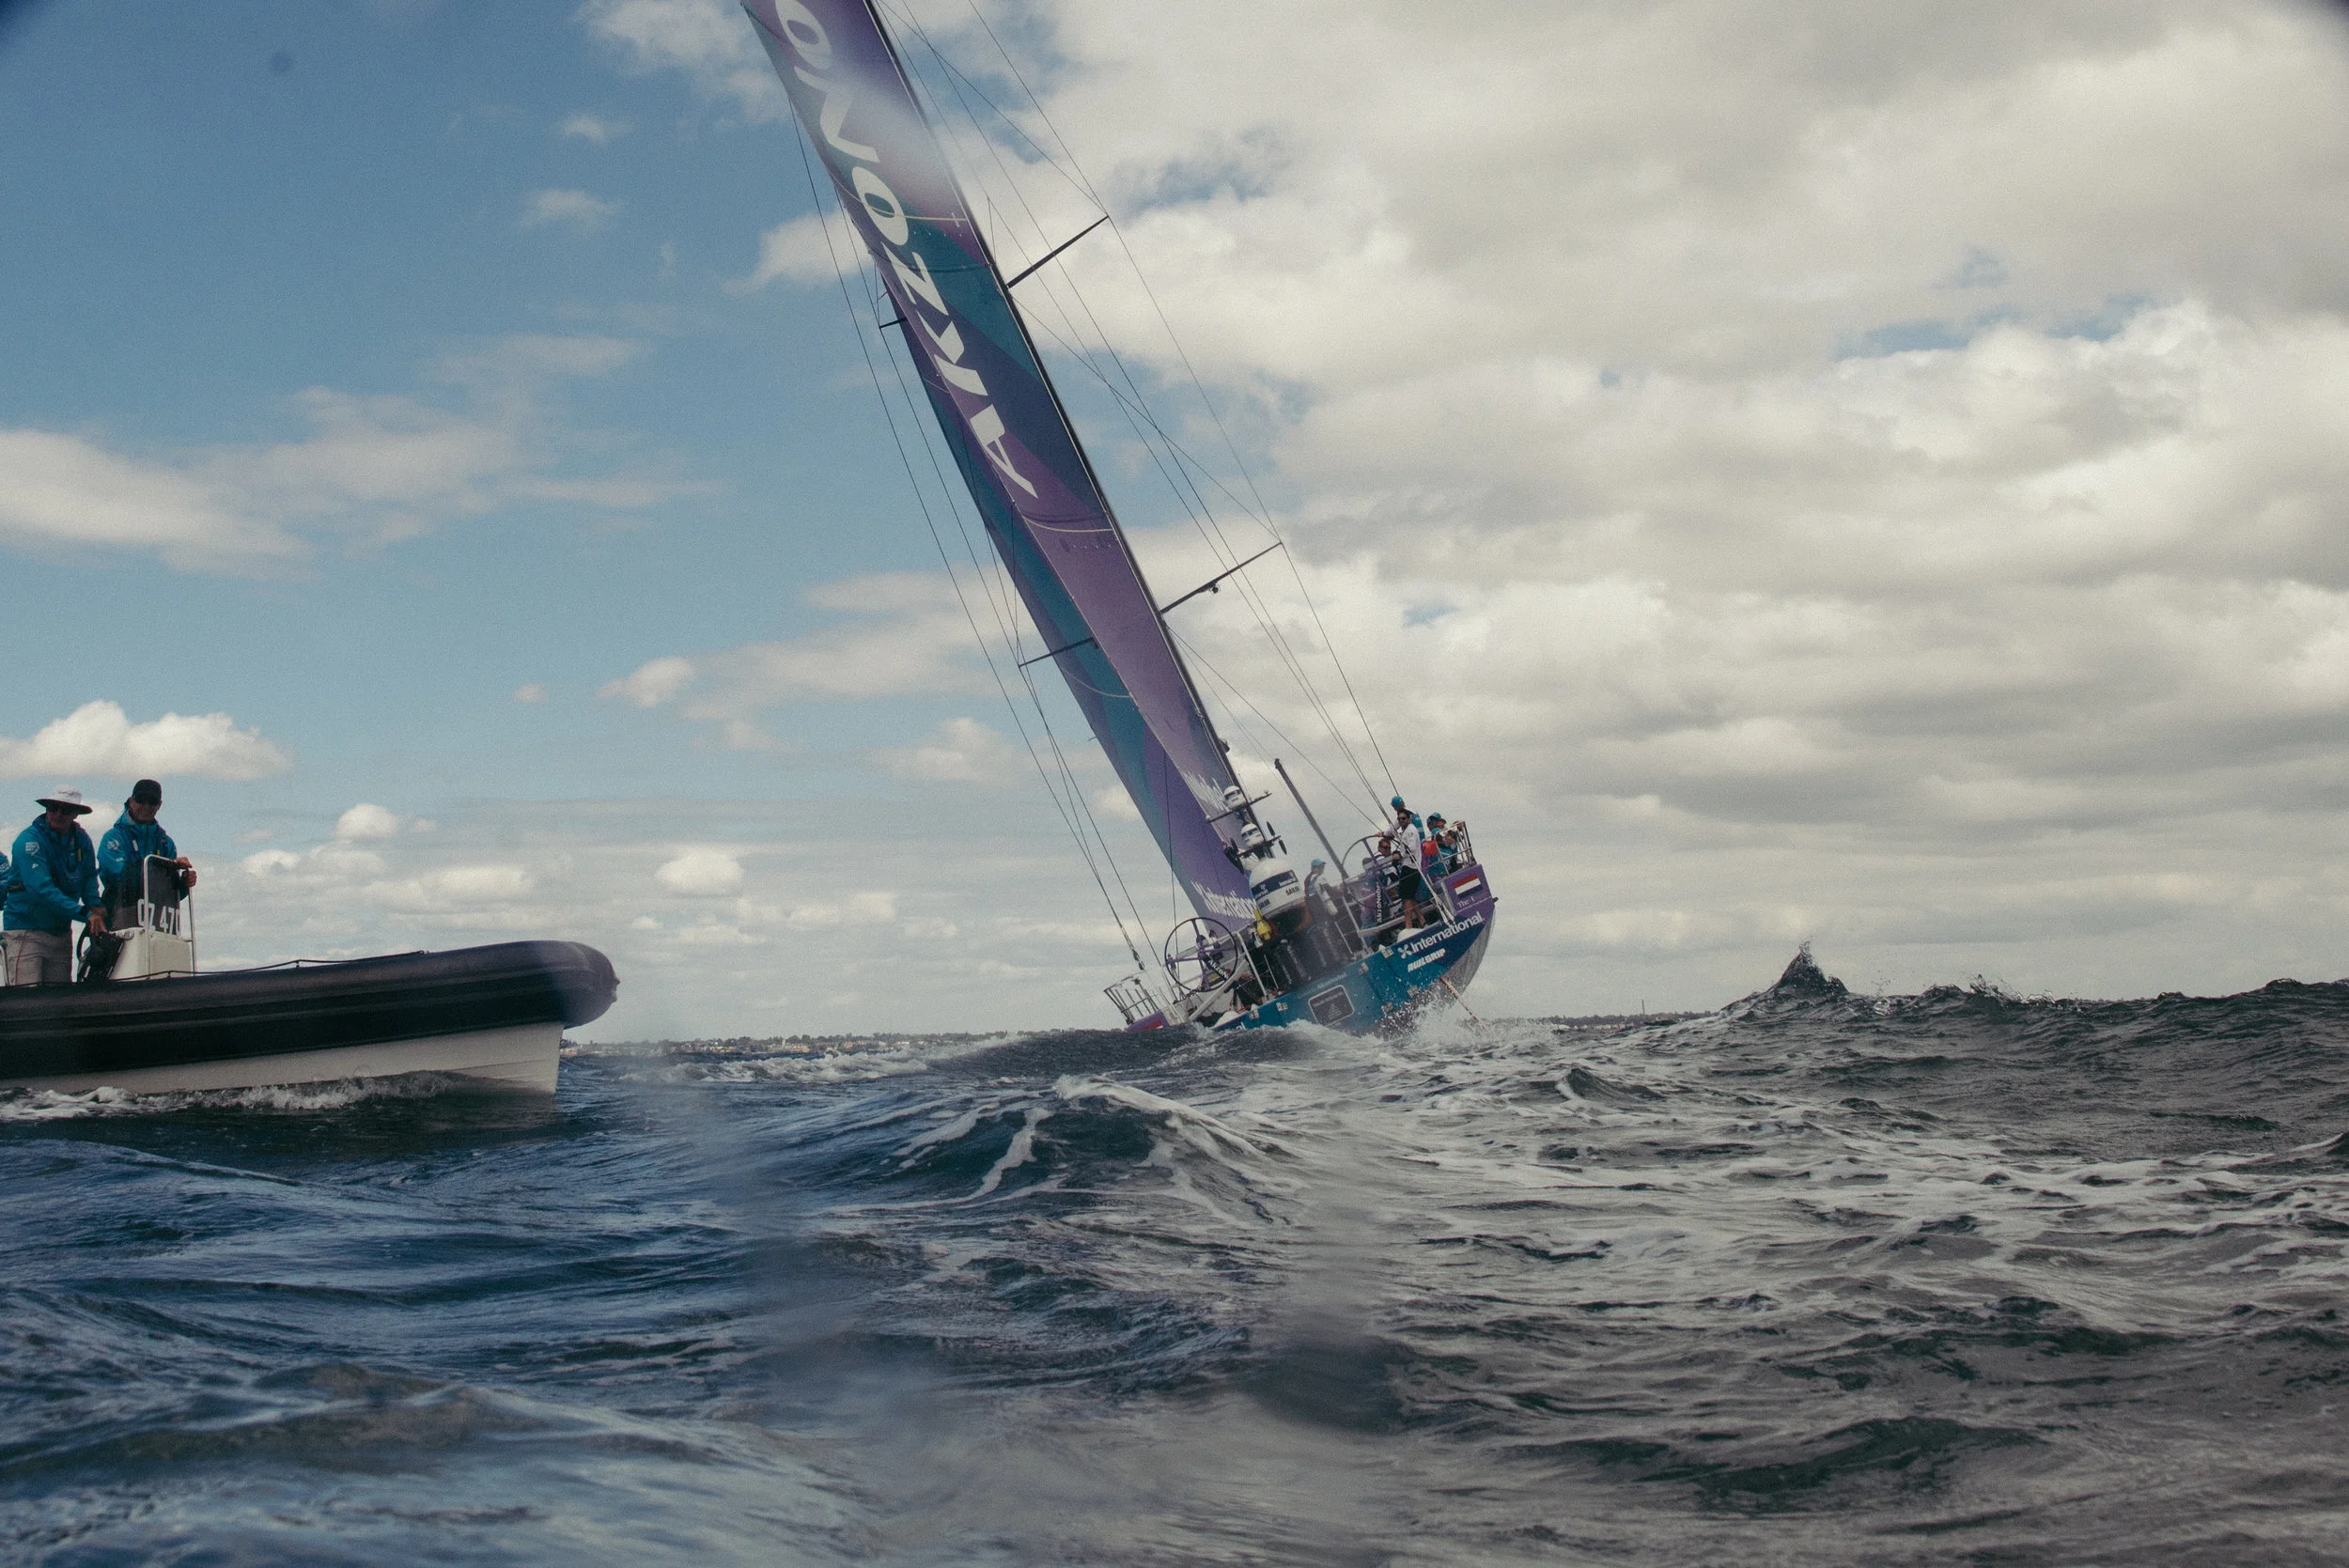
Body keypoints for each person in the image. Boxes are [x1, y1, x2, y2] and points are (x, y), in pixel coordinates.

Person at [4, 787, 105, 986]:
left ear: (76, 814)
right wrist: (84, 913)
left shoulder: (82, 840)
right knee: (28, 998)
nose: (58, 814)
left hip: (61, 934)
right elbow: (40, 890)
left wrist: (95, 905)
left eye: (65, 810)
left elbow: (88, 877)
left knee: (59, 1000)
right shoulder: (29, 841)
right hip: (26, 932)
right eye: (53, 808)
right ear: (46, 809)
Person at [99, 777, 195, 924]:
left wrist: (183, 883)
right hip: (119, 920)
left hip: (158, 922)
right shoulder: (113, 838)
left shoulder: (166, 844)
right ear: (131, 801)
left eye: (152, 801)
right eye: (141, 800)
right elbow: (121, 878)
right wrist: (166, 866)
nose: (146, 806)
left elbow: (170, 894)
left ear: (159, 805)